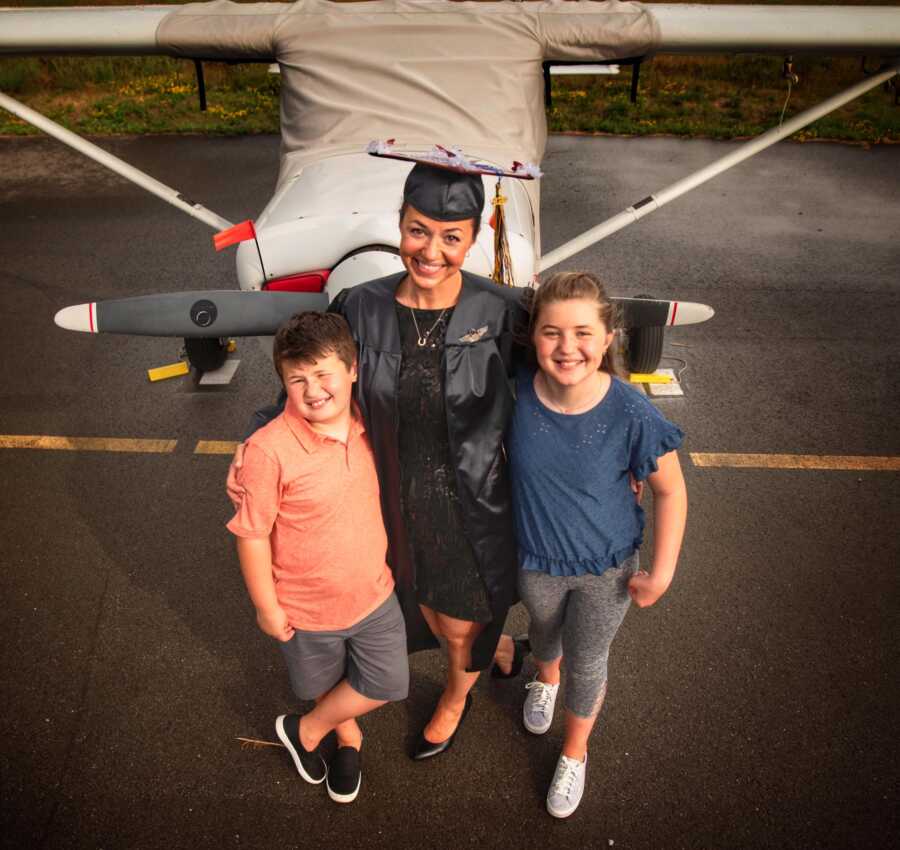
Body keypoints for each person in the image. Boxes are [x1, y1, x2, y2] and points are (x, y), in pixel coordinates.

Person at [230, 161, 527, 760]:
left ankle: (454, 697)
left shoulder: (502, 312)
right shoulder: (359, 308)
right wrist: (258, 434)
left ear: (474, 238)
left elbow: (564, 380)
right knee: (418, 607)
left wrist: (618, 452)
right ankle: (492, 651)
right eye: (418, 230)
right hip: (384, 493)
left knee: (460, 617)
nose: (432, 251)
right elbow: (312, 377)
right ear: (399, 226)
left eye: (451, 236)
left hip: (471, 498)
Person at [505, 271, 688, 818]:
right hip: (535, 561)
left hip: (608, 571)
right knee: (542, 632)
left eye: (583, 333)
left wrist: (662, 571)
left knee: (589, 659)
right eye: (552, 332)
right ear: (532, 336)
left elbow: (671, 492)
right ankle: (545, 678)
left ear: (608, 338)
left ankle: (575, 750)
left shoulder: (631, 412)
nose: (568, 347)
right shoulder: (514, 396)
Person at [227, 311, 409, 804]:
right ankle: (346, 736)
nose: (312, 390)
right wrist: (267, 606)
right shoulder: (268, 451)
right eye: (296, 379)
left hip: (374, 595)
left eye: (324, 373)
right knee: (323, 684)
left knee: (389, 682)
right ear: (282, 382)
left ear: (353, 370)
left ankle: (304, 731)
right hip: (305, 609)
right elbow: (253, 533)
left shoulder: (373, 422)